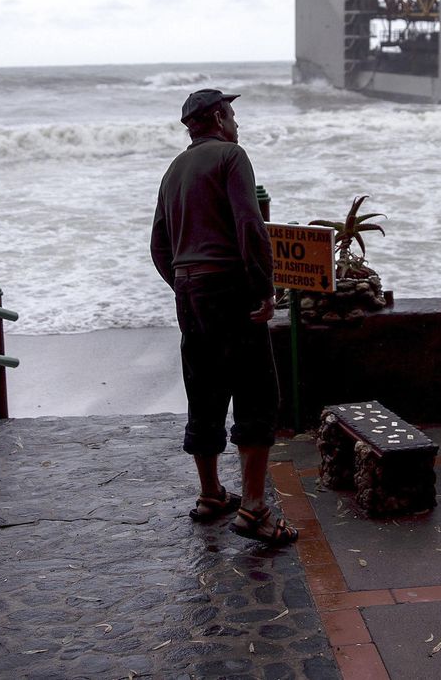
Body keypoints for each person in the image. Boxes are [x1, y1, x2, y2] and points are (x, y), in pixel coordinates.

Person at [150, 88, 298, 545]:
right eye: (232, 114)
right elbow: (249, 225)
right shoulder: (232, 156)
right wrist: (264, 289)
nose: (237, 122)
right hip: (229, 285)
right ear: (217, 117)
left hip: (189, 290)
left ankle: (212, 493)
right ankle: (254, 509)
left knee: (204, 386)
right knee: (257, 391)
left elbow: (159, 245)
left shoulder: (174, 169)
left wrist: (182, 284)